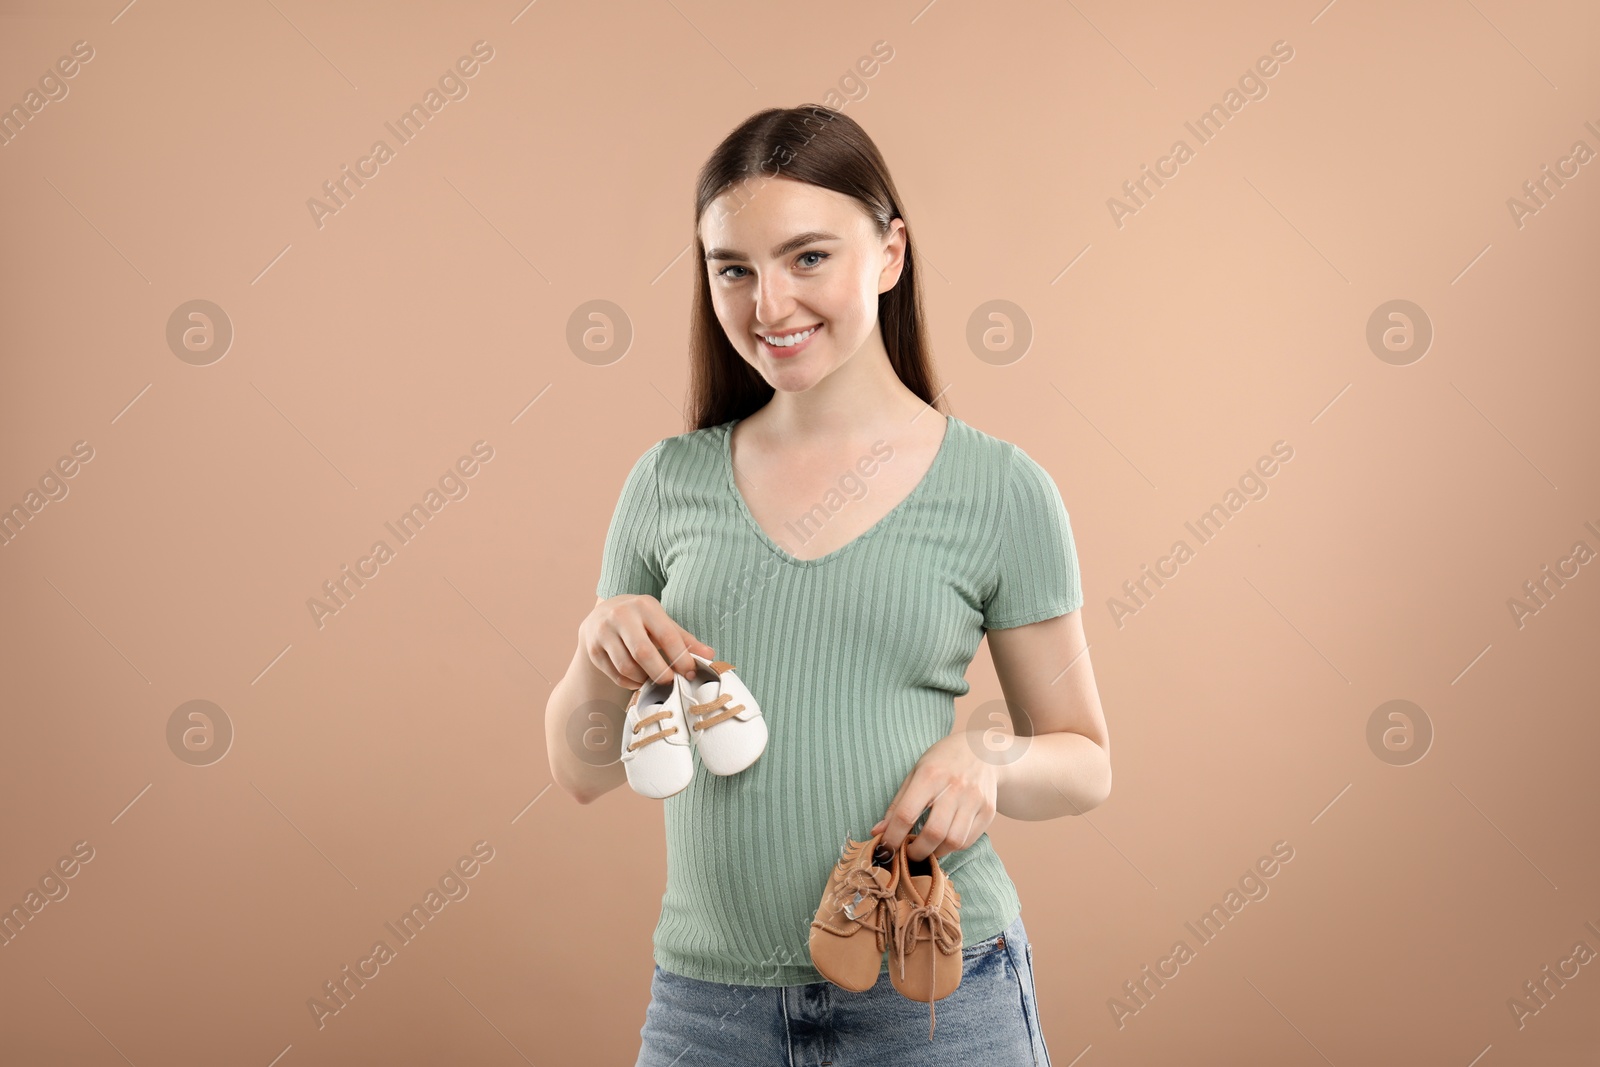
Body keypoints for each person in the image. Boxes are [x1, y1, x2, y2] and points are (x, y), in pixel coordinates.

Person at [544, 103, 1111, 1066]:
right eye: (734, 268)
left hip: (937, 998)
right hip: (709, 1014)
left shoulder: (1001, 490)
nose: (768, 306)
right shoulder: (667, 484)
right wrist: (600, 648)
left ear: (889, 254)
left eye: (808, 257)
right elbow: (585, 771)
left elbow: (1086, 761)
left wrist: (991, 757)